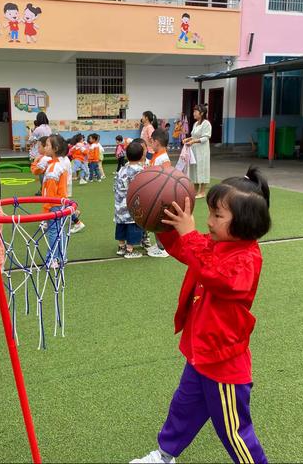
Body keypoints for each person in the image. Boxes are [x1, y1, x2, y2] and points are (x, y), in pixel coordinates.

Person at [132, 166, 271, 464]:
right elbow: (187, 252)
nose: (208, 222)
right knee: (183, 409)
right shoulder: (218, 244)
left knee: (234, 431)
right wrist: (163, 225)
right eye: (209, 213)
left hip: (224, 364)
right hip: (201, 353)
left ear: (245, 222)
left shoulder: (247, 258)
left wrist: (190, 236)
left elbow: (216, 276)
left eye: (217, 216)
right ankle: (164, 455)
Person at [114, 139, 146, 259]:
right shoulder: (140, 171)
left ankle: (121, 247)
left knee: (121, 225)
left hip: (119, 203)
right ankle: (130, 250)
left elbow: (115, 186)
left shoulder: (122, 169)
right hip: (132, 205)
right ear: (142, 155)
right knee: (133, 225)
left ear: (126, 155)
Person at [42, 134, 69, 268]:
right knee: (60, 231)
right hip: (60, 203)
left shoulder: (54, 168)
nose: (45, 147)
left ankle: (52, 259)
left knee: (53, 232)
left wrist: (47, 208)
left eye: (47, 145)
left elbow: (51, 193)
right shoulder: (56, 164)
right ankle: (61, 257)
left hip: (55, 205)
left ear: (55, 148)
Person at [147, 128, 171, 258]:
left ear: (156, 142)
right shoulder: (157, 155)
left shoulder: (163, 157)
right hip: (155, 193)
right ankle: (159, 245)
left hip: (160, 195)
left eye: (151, 142)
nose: (150, 144)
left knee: (158, 222)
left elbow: (166, 176)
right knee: (155, 221)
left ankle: (162, 249)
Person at [183, 104, 212, 199]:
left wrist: (194, 141)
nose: (194, 113)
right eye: (194, 111)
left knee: (202, 168)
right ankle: (195, 191)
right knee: (194, 168)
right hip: (194, 150)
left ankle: (203, 192)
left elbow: (206, 137)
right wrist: (188, 139)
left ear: (202, 113)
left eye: (196, 111)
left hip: (202, 151)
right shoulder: (195, 124)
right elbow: (194, 135)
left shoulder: (206, 123)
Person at [57, 138, 85, 234]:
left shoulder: (62, 161)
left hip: (63, 185)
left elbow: (61, 175)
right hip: (65, 185)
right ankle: (75, 213)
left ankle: (77, 222)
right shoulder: (64, 159)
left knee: (63, 204)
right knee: (64, 204)